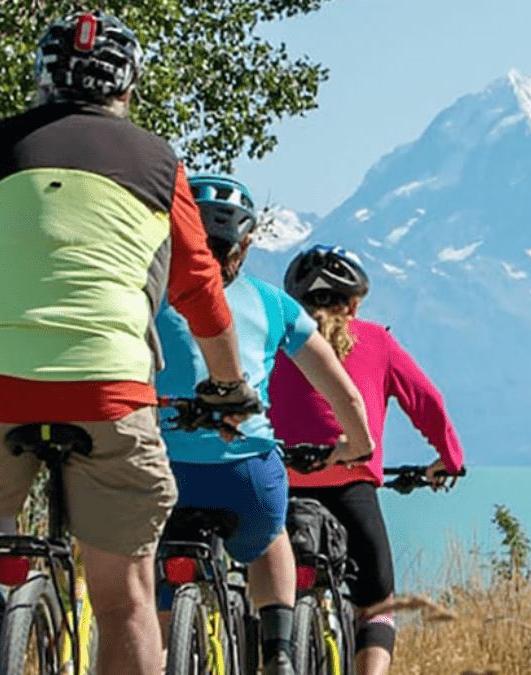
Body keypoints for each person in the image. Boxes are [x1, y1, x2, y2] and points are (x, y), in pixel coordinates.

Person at [0, 12, 260, 675]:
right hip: (109, 391)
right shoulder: (159, 163)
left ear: (44, 81)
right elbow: (199, 289)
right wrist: (228, 385)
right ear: (126, 88)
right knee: (125, 597)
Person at [154, 176, 375, 675]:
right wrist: (354, 446)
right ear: (246, 242)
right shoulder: (275, 304)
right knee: (271, 534)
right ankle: (277, 647)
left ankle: (168, 647)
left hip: (164, 469)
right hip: (245, 471)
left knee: (156, 573)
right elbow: (344, 394)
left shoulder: (152, 296)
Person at [267, 245, 466, 675]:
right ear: (354, 303)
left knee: (263, 598)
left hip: (278, 485)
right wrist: (447, 458)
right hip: (350, 488)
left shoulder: (274, 340)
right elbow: (428, 401)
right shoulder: (376, 340)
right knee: (377, 607)